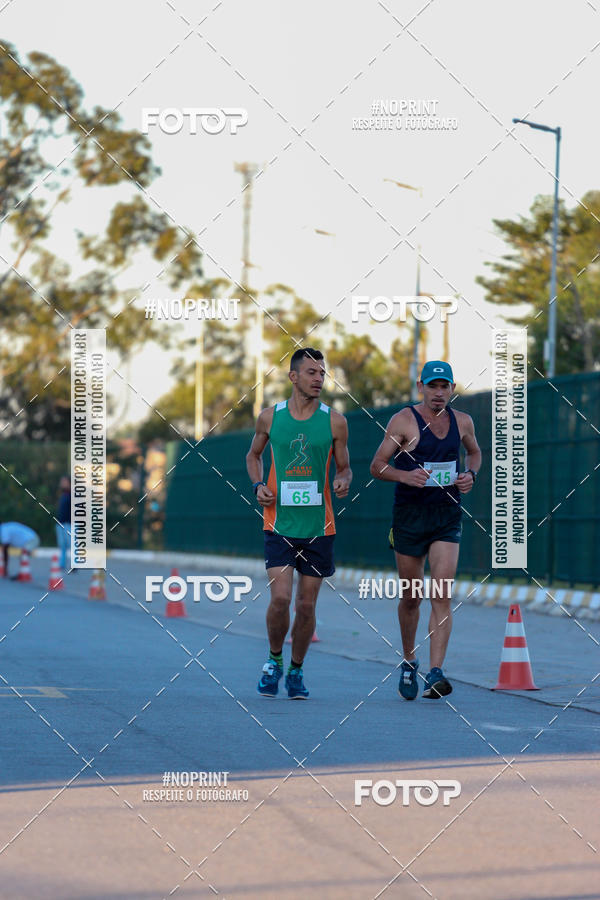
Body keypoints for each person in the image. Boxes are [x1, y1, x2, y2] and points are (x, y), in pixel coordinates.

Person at [369, 361, 482, 700]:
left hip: (446, 515)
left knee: (442, 592)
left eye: (444, 386)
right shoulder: (404, 420)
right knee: (411, 596)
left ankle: (435, 672)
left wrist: (470, 476)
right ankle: (409, 661)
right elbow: (377, 465)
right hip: (409, 516)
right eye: (432, 386)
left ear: (451, 388)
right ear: (421, 386)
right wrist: (404, 476)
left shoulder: (462, 421)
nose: (438, 393)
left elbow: (475, 453)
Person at [246, 348, 352, 699]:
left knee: (306, 606)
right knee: (280, 600)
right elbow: (253, 455)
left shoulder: (335, 421)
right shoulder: (270, 417)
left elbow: (345, 467)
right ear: (293, 377)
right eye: (311, 372)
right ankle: (274, 660)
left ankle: (296, 669)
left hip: (319, 527)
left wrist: (343, 480)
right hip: (278, 524)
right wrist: (258, 485)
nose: (318, 378)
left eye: (322, 373)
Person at [56, 475, 71, 571]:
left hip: (69, 524)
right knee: (62, 545)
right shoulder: (63, 495)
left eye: (64, 481)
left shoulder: (73, 495)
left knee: (72, 544)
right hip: (60, 523)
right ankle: (62, 564)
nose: (62, 483)